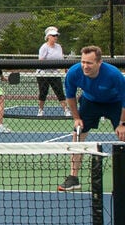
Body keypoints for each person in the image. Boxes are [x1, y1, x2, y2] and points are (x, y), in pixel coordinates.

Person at [58, 45, 125, 192]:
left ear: (99, 63)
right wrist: (76, 118)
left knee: (123, 134)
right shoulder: (74, 73)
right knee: (77, 133)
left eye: (89, 63)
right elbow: (70, 96)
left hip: (115, 103)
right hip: (90, 102)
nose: (85, 66)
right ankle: (73, 178)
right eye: (83, 62)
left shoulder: (114, 75)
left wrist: (122, 123)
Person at [37, 26, 70, 116]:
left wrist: (65, 68)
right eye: (53, 35)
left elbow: (61, 59)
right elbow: (41, 61)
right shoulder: (44, 47)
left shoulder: (59, 47)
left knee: (60, 91)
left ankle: (66, 110)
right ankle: (40, 110)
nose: (55, 37)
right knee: (43, 92)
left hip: (55, 73)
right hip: (43, 74)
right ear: (48, 37)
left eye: (56, 36)